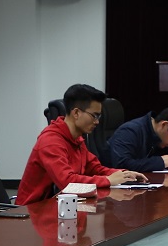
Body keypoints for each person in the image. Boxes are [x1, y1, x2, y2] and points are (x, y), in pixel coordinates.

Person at [16, 83, 146, 205]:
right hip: (32, 212)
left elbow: (95, 169)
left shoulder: (76, 139)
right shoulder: (50, 141)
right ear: (76, 113)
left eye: (99, 117)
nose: (97, 122)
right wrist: (108, 180)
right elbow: (68, 184)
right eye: (94, 116)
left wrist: (124, 174)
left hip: (60, 206)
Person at [107, 104, 168, 173]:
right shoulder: (130, 131)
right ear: (164, 125)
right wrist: (159, 162)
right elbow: (121, 164)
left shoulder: (161, 137)